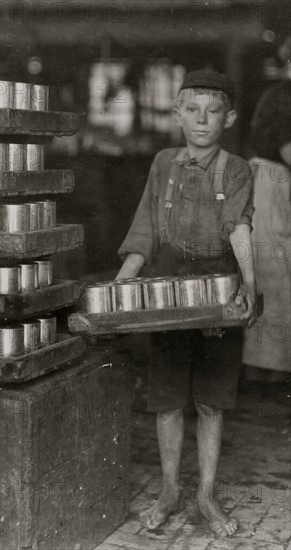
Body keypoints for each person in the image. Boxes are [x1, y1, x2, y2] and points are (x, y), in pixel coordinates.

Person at [116, 70, 257, 537]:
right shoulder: (163, 164)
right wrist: (122, 284)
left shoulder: (236, 169)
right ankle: (170, 490)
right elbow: (145, 229)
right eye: (191, 110)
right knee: (168, 400)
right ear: (176, 114)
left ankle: (206, 495)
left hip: (219, 290)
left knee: (212, 402)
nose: (202, 120)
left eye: (213, 111)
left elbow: (239, 229)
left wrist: (249, 288)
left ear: (229, 117)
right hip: (170, 291)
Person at [243, 82, 291, 381]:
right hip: (273, 195)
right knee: (276, 294)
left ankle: (256, 371)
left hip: (262, 187)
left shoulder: (250, 167)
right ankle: (272, 375)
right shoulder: (279, 174)